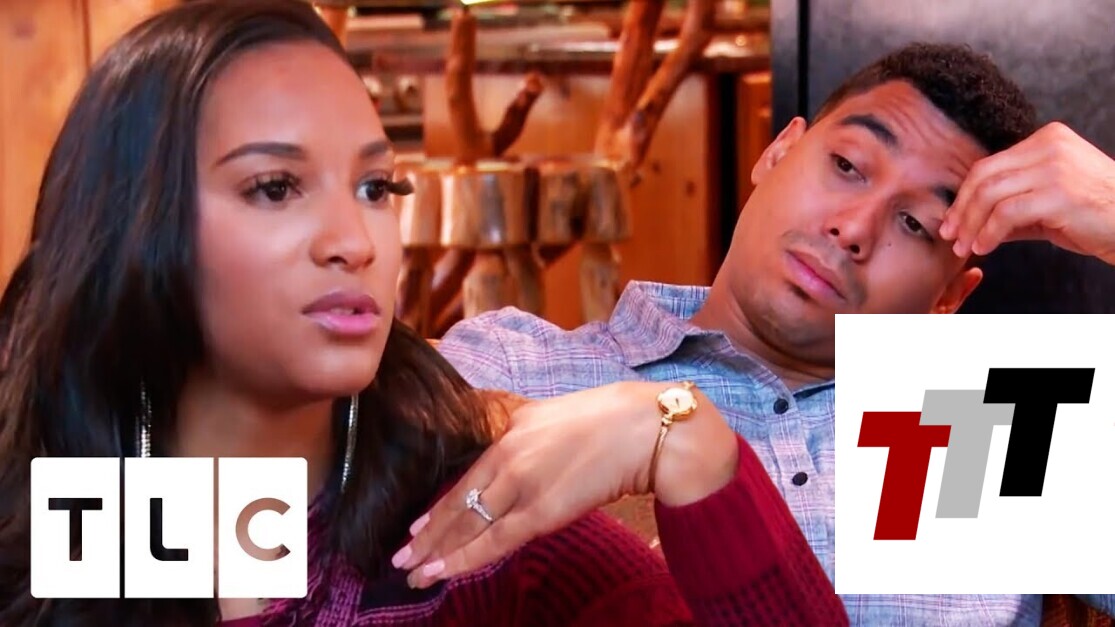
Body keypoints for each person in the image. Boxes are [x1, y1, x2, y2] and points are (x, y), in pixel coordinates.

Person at [0, 1, 849, 625]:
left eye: (376, 187)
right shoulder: (76, 516)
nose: (354, 240)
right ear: (131, 223)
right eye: (276, 187)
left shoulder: (473, 531)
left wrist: (690, 440)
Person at [429, 43, 1115, 625]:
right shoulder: (511, 368)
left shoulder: (999, 419)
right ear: (777, 150)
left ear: (947, 300)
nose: (853, 228)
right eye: (846, 166)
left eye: (915, 225)